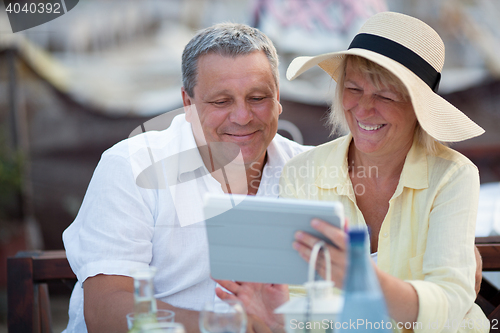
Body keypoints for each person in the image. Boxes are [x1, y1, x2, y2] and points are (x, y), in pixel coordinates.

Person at [219, 11, 488, 332]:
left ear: (419, 106)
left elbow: (449, 306)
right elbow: (303, 304)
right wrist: (280, 319)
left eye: (385, 95)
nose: (363, 108)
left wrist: (362, 277)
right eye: (353, 88)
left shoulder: (452, 176)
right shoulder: (303, 171)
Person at [62, 23, 307, 333]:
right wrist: (227, 327)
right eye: (221, 101)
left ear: (278, 97)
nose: (243, 116)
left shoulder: (307, 168)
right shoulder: (131, 166)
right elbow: (105, 307)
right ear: (188, 103)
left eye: (258, 98)